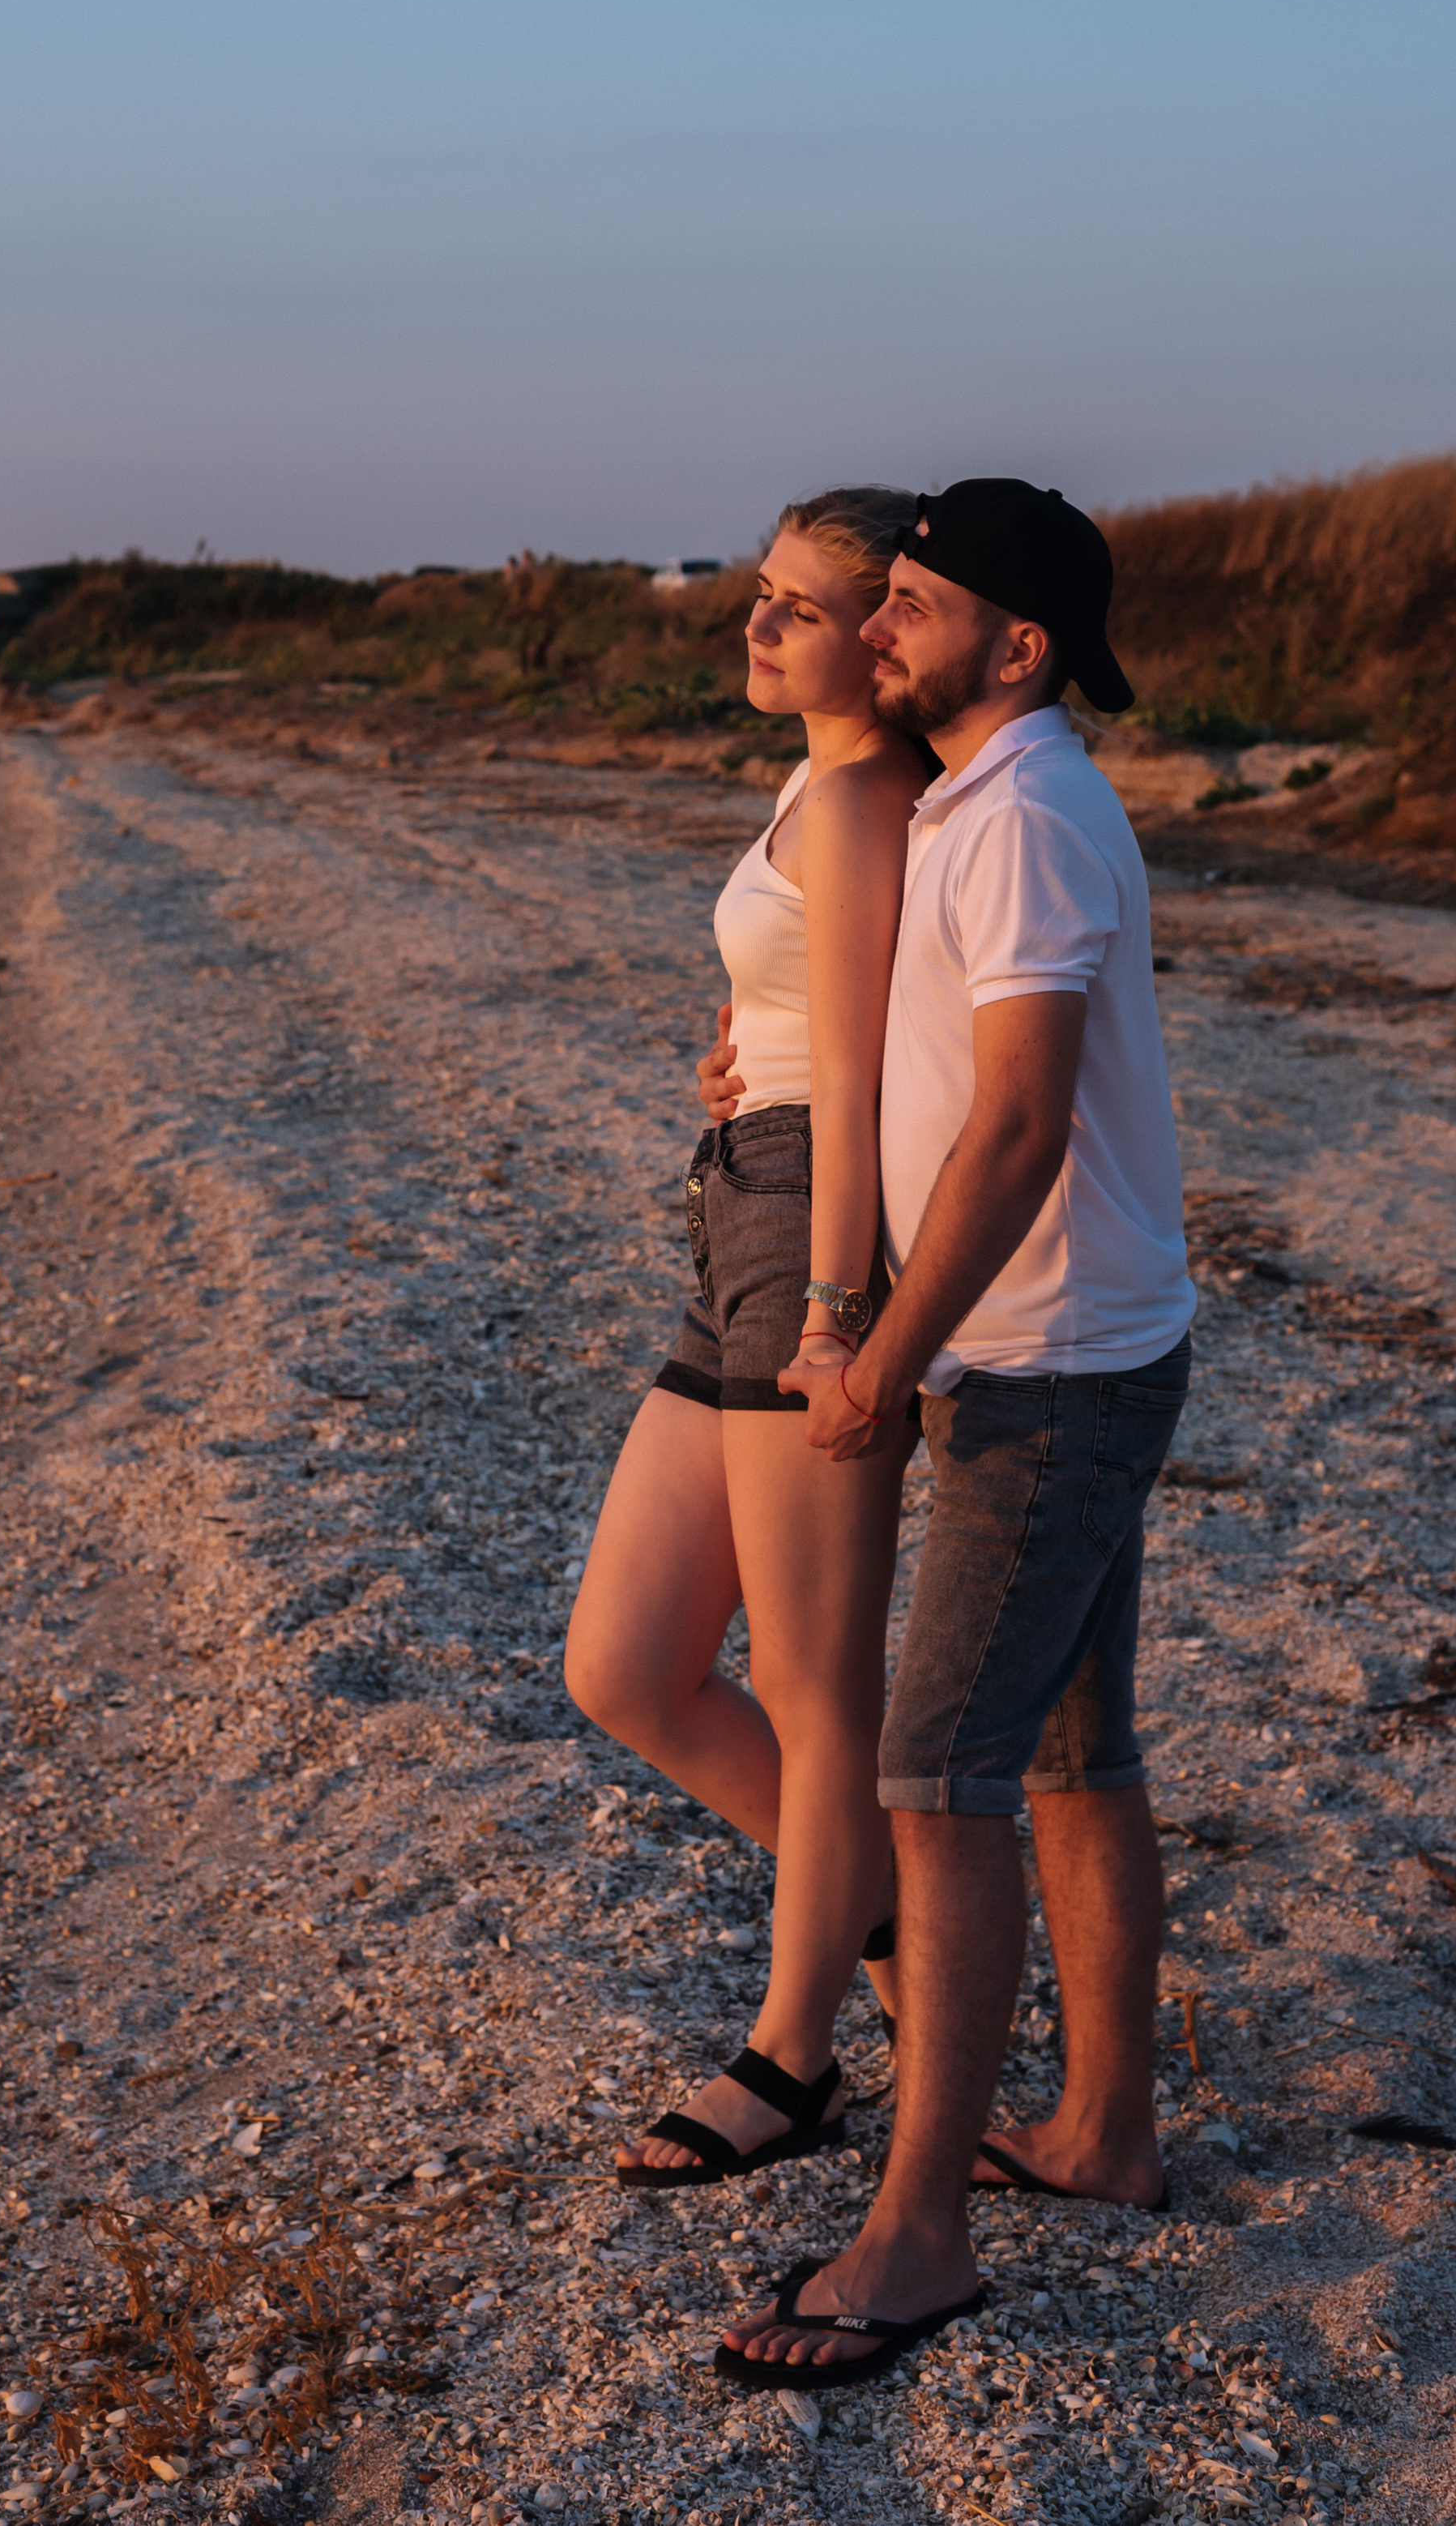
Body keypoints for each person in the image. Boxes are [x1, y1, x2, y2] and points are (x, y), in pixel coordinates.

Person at [714, 479, 1196, 2386]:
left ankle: (915, 2236)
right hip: (1064, 1344)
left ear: (1019, 644)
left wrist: (877, 1353)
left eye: (911, 603)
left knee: (933, 1780)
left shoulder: (1026, 818)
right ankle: (1102, 2132)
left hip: (1043, 1364)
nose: (878, 626)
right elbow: (905, 1051)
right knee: (1072, 1754)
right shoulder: (972, 804)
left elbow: (1013, 1125)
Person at [563, 488, 934, 2186]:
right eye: (759, 593)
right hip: (739, 1206)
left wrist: (844, 1313)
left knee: (807, 1679)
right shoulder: (811, 779)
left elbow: (862, 1083)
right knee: (625, 1665)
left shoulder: (861, 797)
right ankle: (895, 1915)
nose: (758, 623)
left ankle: (795, 2056)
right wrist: (734, 1059)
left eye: (799, 607)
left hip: (807, 1235)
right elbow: (812, 1028)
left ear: (882, 637)